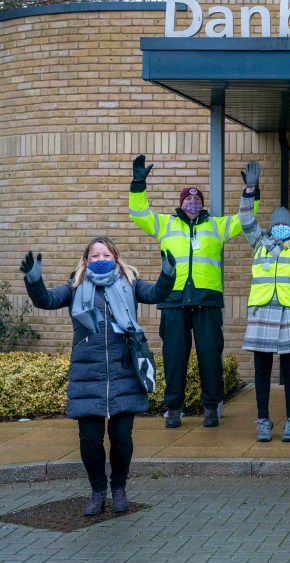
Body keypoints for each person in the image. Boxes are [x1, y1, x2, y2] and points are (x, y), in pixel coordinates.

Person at [21, 239, 175, 516]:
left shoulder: (130, 282)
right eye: (95, 255)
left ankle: (118, 489)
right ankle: (97, 491)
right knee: (90, 440)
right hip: (88, 373)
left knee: (121, 437)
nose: (100, 258)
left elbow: (156, 294)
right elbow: (46, 300)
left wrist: (168, 274)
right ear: (85, 260)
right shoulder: (75, 286)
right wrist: (34, 281)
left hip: (124, 370)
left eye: (106, 254)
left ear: (116, 258)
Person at [128, 155, 258, 429]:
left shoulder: (216, 225)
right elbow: (138, 214)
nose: (192, 203)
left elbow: (245, 220)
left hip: (207, 301)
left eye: (197, 200)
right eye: (188, 199)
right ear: (180, 203)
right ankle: (173, 410)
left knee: (210, 357)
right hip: (173, 301)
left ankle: (211, 409)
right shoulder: (165, 224)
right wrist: (138, 184)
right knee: (175, 359)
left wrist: (251, 193)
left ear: (202, 204)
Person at [239, 161, 290, 444]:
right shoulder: (260, 242)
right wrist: (249, 190)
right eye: (276, 225)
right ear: (271, 228)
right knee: (262, 372)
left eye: (285, 226)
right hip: (262, 315)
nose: (280, 229)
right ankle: (263, 421)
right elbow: (246, 220)